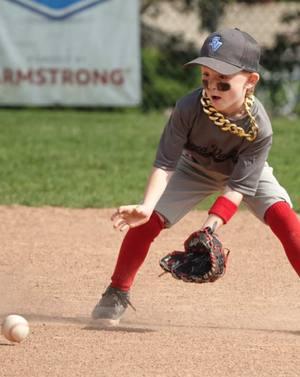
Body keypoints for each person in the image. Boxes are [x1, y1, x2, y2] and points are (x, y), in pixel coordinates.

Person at [92, 28, 300, 326]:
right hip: (194, 168)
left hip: (244, 173)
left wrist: (209, 229)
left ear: (251, 81)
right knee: (146, 222)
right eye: (206, 78)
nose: (212, 87)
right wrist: (148, 206)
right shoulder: (189, 108)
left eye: (223, 82)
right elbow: (165, 163)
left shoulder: (260, 127)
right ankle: (116, 292)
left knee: (285, 218)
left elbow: (238, 187)